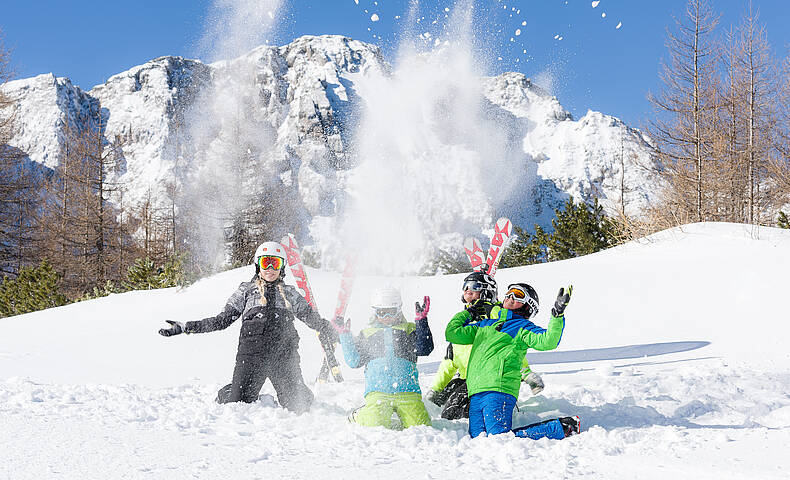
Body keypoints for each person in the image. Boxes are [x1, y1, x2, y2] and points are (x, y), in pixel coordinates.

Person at [157, 241, 337, 414]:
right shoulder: (246, 291)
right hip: (251, 358)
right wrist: (186, 327)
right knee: (237, 403)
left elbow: (311, 318)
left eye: (275, 263)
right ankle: (232, 388)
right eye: (266, 262)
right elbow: (222, 320)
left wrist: (331, 330)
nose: (270, 269)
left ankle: (299, 389)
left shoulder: (290, 293)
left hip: (284, 357)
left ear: (282, 267)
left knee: (298, 406)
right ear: (258, 265)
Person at [445, 282, 580, 439]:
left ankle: (561, 427)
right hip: (476, 390)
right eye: (508, 293)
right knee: (478, 439)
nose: (510, 296)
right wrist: (469, 313)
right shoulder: (485, 325)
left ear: (528, 306)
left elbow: (548, 340)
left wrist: (557, 316)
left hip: (499, 388)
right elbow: (452, 333)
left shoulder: (522, 327)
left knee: (498, 437)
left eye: (518, 294)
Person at [425, 272, 544, 420]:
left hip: (490, 381)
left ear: (487, 292)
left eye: (474, 286)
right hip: (466, 380)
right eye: (465, 286)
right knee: (443, 400)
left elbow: (510, 349)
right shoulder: (465, 322)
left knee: (457, 407)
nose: (468, 290)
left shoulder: (496, 318)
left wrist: (526, 374)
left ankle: (498, 413)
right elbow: (450, 361)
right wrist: (435, 390)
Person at [335, 286, 434, 429]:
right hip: (378, 392)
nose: (387, 318)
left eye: (391, 312)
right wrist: (345, 335)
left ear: (399, 310)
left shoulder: (409, 329)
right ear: (375, 313)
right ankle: (360, 414)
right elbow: (354, 361)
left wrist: (421, 321)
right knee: (374, 424)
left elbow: (425, 349)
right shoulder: (367, 334)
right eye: (382, 313)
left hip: (408, 392)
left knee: (422, 426)